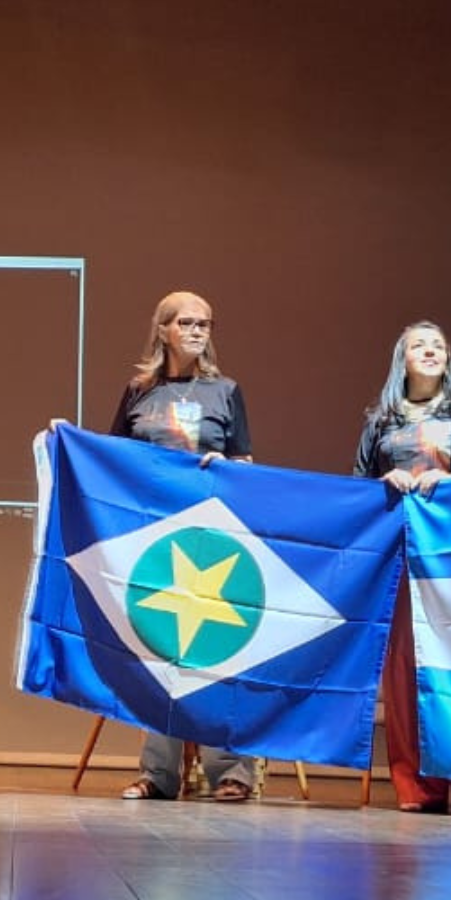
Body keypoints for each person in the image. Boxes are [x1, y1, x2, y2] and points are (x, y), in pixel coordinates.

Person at [353, 321, 451, 817]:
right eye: (418, 345)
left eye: (438, 345)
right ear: (401, 359)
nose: (430, 351)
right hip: (402, 553)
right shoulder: (381, 420)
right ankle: (418, 786)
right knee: (406, 668)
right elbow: (358, 487)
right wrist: (387, 478)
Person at [108, 290, 259, 804]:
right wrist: (67, 439)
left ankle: (231, 772)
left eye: (205, 324)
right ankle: (159, 774)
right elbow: (112, 458)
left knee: (213, 648)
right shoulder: (139, 392)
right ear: (164, 330)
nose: (197, 331)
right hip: (154, 538)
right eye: (187, 323)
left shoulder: (225, 391)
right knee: (160, 654)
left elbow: (246, 465)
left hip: (211, 540)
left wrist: (228, 467)